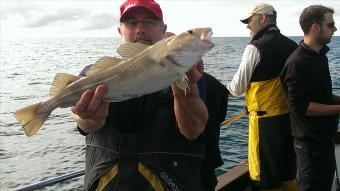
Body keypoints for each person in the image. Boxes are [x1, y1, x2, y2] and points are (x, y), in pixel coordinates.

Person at [71, 0, 226, 190]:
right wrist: (85, 117)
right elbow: (85, 123)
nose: (140, 29)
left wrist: (180, 80)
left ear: (164, 30)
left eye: (150, 21)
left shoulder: (195, 77)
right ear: (120, 31)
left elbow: (193, 130)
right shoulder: (94, 74)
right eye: (131, 22)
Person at [226, 3, 298, 191]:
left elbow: (237, 87)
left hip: (265, 122)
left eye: (249, 21)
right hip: (290, 120)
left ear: (263, 18)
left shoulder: (255, 47)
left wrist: (221, 91)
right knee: (288, 172)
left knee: (265, 177)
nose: (248, 26)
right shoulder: (292, 45)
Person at [280, 5, 339, 191]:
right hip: (310, 147)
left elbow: (321, 95)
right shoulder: (298, 62)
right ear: (315, 28)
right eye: (330, 25)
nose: (335, 29)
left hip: (324, 140)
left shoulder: (319, 56)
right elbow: (302, 107)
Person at [163, 32, 229, 190]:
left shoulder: (167, 85)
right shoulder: (216, 85)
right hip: (205, 167)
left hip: (186, 169)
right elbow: (218, 119)